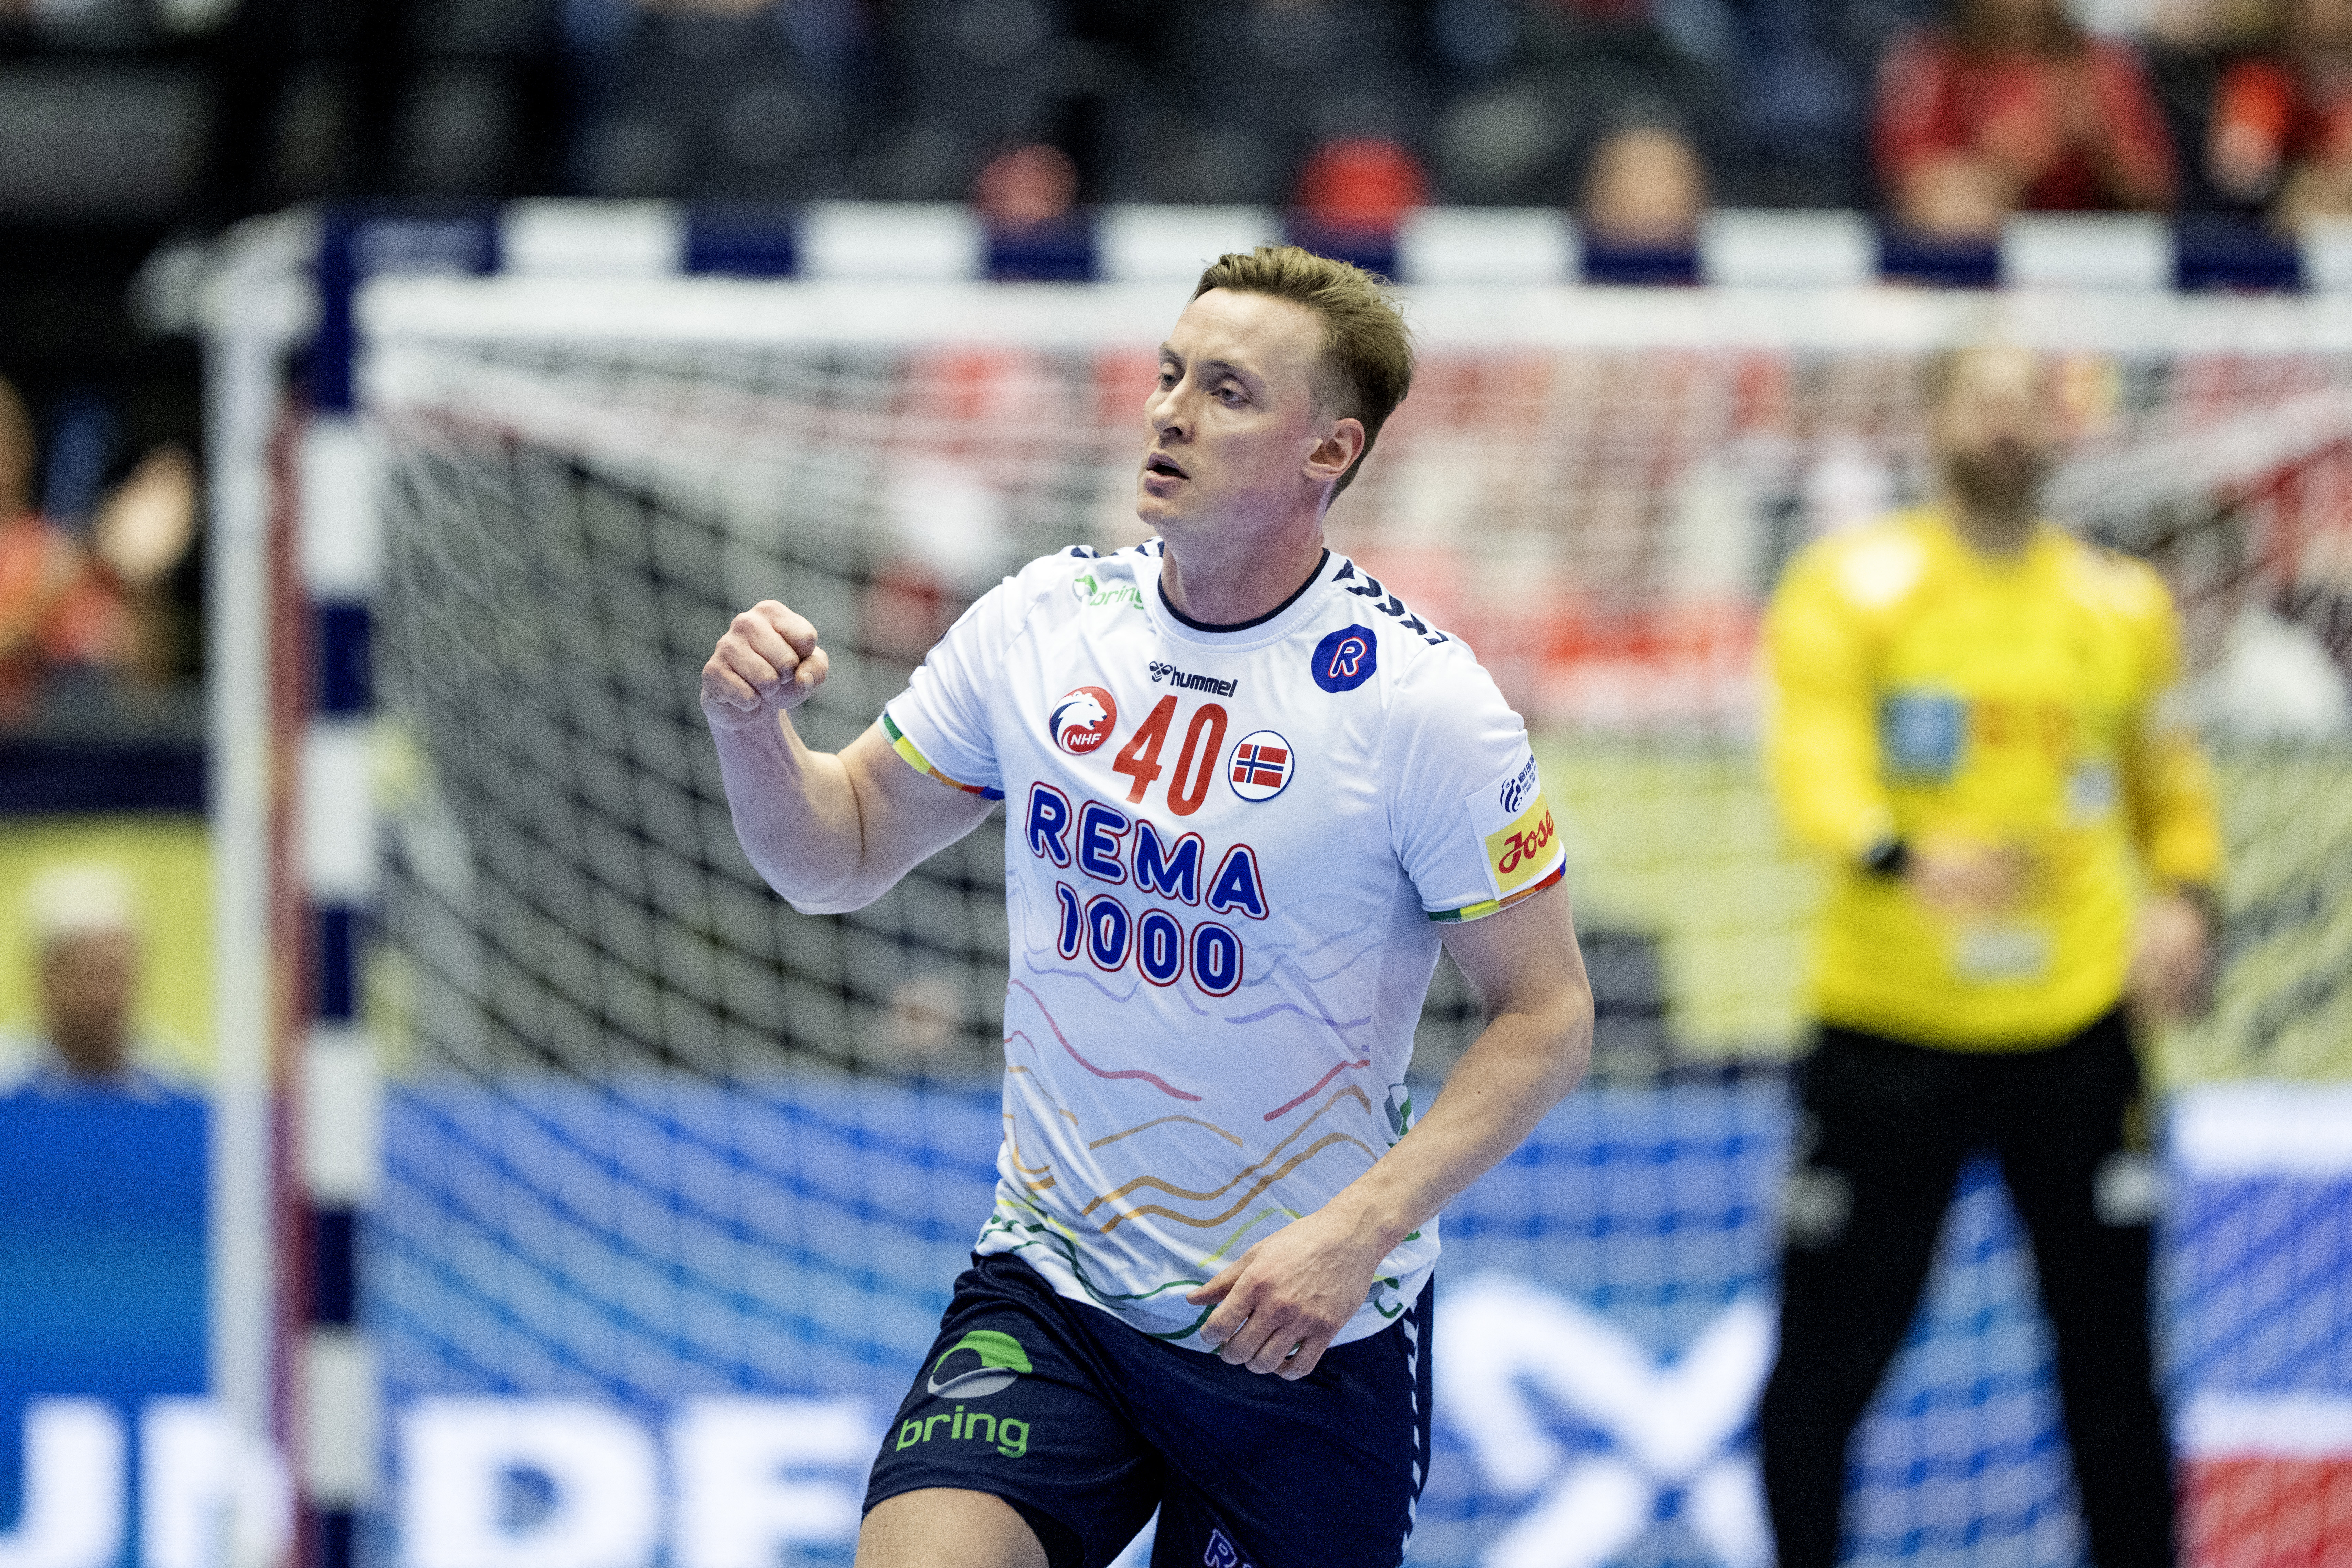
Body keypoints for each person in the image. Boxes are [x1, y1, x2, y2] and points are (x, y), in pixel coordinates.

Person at [700, 245, 1594, 1568]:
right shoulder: (1043, 622)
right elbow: (835, 854)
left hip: (1295, 1330)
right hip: (1055, 1286)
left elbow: (1546, 1014)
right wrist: (752, 733)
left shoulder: (1418, 704)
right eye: (1169, 373)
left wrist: (1356, 1229)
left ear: (1324, 451)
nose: (1169, 409)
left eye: (1226, 390)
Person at [1757, 345, 2222, 1568]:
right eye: (1985, 400)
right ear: (1933, 418)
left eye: (2031, 403)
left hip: (2074, 1031)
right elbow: (1812, 764)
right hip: (1887, 1027)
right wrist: (1897, 849)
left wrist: (2182, 895)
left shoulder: (2118, 605)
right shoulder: (1848, 585)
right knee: (1824, 1364)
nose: (2009, 426)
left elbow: (2166, 787)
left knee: (2112, 1364)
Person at [1874, 0, 2176, 238]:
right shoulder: (1934, 61)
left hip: (2094, 278)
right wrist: (2014, 160)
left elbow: (2159, 199)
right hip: (1981, 286)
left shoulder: (2105, 64)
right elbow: (1927, 206)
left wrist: (2103, 149)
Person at [1, 864, 196, 1102]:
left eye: (118, 975)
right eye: (90, 976)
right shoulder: (10, 1083)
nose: (106, 998)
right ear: (47, 978)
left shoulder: (175, 1091)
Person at [2207, 0, 2352, 227]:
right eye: (2318, 33)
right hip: (2267, 243)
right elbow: (2241, 171)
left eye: (2341, 42)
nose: (2333, 22)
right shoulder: (2260, 85)